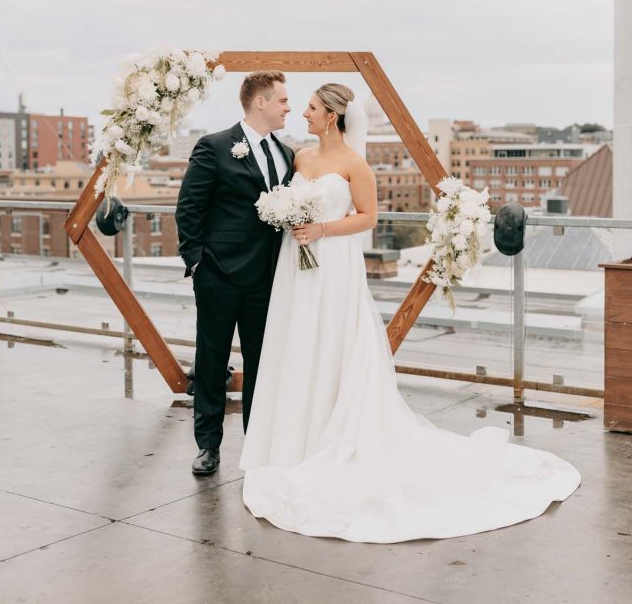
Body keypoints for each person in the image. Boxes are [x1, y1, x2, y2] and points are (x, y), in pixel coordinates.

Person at [239, 82, 580, 543]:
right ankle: (293, 441)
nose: (304, 113)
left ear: (332, 117)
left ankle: (330, 435)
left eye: (313, 108)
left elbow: (368, 218)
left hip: (334, 266)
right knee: (298, 343)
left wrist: (321, 227)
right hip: (296, 268)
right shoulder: (300, 159)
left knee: (332, 342)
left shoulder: (356, 165)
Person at [175, 71, 294, 477]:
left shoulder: (286, 154)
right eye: (282, 100)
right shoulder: (214, 146)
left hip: (267, 278)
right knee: (211, 360)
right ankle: (208, 445)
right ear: (259, 102)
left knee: (263, 362)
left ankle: (256, 444)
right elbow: (189, 207)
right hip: (219, 275)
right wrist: (196, 262)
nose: (287, 108)